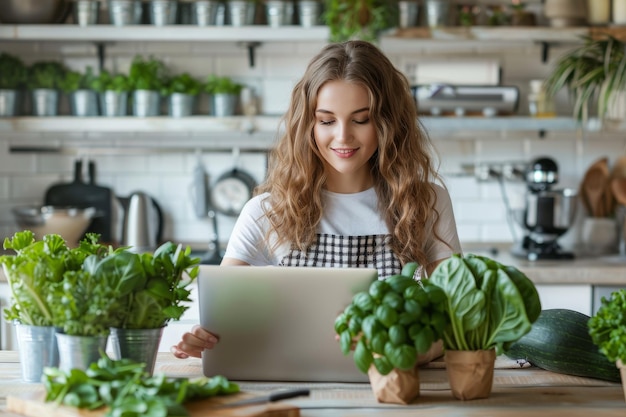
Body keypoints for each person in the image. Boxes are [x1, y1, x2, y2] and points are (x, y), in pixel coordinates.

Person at [172, 40, 462, 360]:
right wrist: (207, 340)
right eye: (326, 120)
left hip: (391, 386)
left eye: (361, 119)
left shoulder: (425, 203)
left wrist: (399, 355)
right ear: (307, 125)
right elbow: (221, 318)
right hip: (291, 388)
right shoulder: (266, 211)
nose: (342, 136)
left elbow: (454, 320)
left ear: (388, 123)